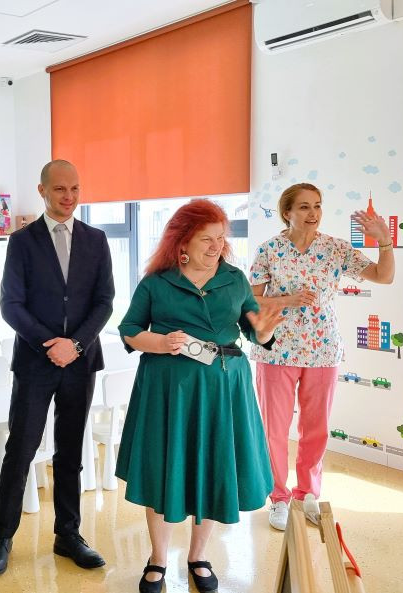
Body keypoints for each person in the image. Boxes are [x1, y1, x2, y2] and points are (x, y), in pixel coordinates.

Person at [115, 199, 283, 593]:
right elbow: (130, 330)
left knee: (211, 465)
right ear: (182, 242)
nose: (216, 246)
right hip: (170, 390)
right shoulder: (156, 282)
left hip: (223, 386)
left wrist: (263, 331)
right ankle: (158, 558)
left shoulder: (235, 279)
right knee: (165, 469)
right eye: (206, 239)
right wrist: (160, 342)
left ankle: (198, 556)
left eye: (220, 238)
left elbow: (255, 328)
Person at [0, 159, 114, 575]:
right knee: (20, 448)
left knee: (70, 451)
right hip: (35, 363)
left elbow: (105, 302)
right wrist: (50, 345)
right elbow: (10, 305)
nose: (69, 196)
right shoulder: (22, 242)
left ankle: (68, 534)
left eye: (75, 188)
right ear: (42, 190)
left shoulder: (96, 240)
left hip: (81, 361)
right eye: (60, 189)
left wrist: (74, 345)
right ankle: (3, 536)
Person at [248, 183, 394, 531]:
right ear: (287, 212)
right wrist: (286, 300)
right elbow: (250, 300)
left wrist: (385, 241)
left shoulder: (335, 248)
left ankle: (307, 495)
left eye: (317, 206)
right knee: (274, 430)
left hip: (323, 349)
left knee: (316, 430)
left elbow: (383, 276)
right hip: (276, 349)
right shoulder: (269, 250)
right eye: (303, 207)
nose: (312, 213)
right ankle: (278, 498)